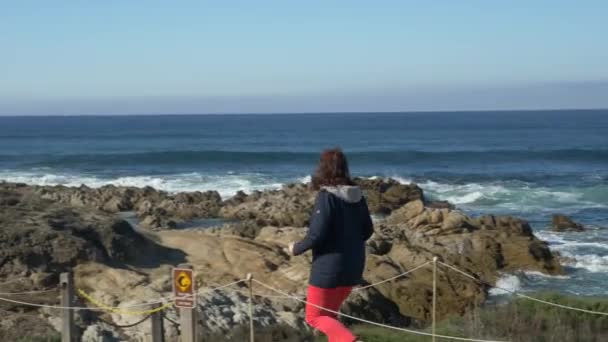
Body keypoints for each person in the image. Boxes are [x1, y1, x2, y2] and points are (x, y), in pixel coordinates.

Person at [288, 148, 374, 342]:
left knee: (315, 317)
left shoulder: (327, 197)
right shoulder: (358, 196)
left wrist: (296, 248)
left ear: (323, 168)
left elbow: (316, 234)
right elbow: (368, 230)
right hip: (353, 266)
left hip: (329, 269)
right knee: (330, 317)